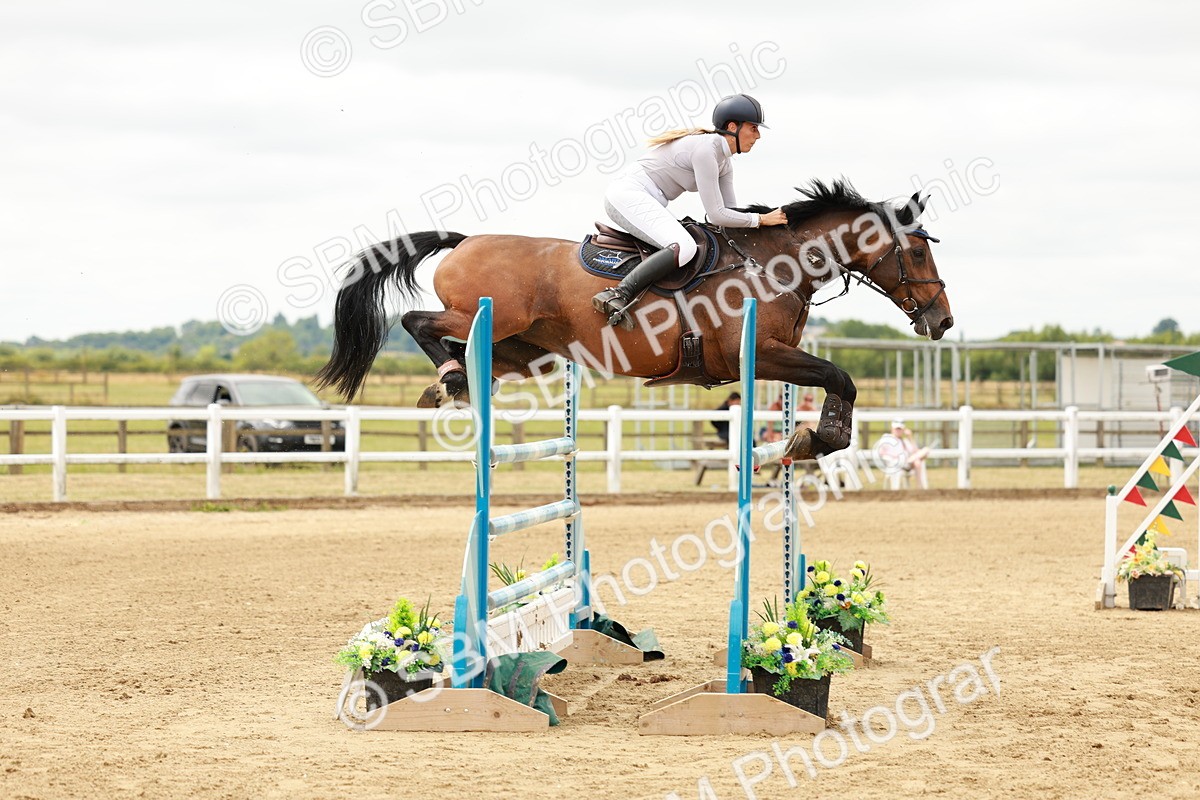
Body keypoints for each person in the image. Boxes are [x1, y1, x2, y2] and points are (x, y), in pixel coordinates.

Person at [591, 94, 789, 330]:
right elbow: (716, 215)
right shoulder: (707, 149)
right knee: (684, 247)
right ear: (732, 127)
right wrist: (761, 219)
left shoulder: (724, 162)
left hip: (646, 197)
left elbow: (730, 217)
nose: (758, 136)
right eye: (754, 128)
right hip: (627, 195)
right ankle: (618, 294)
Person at [878, 419, 931, 490]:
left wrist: (910, 437)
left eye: (900, 429)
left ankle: (920, 488)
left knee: (919, 459)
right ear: (892, 429)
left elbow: (915, 451)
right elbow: (880, 452)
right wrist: (894, 457)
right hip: (896, 463)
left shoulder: (905, 441)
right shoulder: (887, 438)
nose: (898, 431)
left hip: (907, 463)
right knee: (919, 458)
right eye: (897, 429)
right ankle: (919, 488)